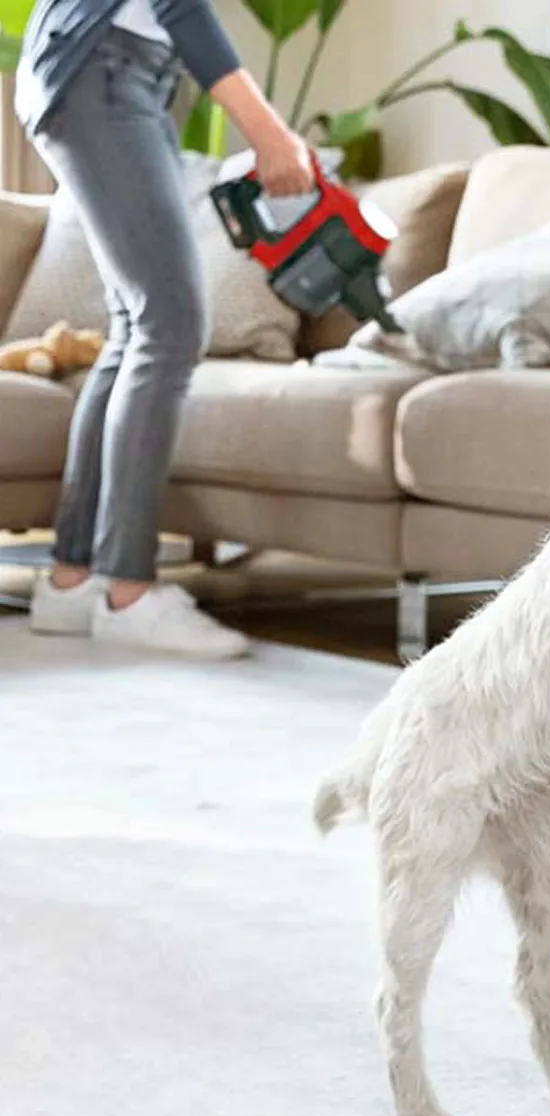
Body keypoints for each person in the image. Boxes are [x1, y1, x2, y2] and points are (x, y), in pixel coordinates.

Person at [16, 0, 316, 658]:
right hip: (106, 68)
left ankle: (72, 583)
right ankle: (129, 593)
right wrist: (269, 133)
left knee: (135, 325)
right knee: (171, 323)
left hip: (101, 66)